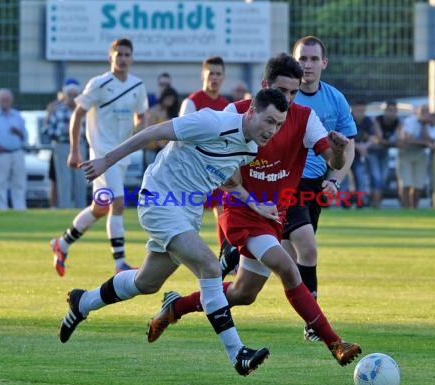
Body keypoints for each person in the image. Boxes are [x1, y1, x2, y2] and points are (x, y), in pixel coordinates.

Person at [146, 53, 361, 367]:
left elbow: (333, 161)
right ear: (264, 87)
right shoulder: (238, 114)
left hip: (275, 213)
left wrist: (339, 153)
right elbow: (212, 157)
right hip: (242, 210)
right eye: (282, 91)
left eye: (293, 93)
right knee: (287, 266)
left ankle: (175, 307)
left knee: (243, 293)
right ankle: (335, 343)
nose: (287, 100)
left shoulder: (304, 118)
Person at [59, 88, 289, 376]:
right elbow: (154, 132)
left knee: (146, 283)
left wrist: (256, 206)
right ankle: (237, 353)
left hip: (187, 214)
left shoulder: (250, 148)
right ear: (252, 111)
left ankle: (83, 302)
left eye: (279, 124)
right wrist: (107, 160)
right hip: (160, 198)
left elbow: (229, 182)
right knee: (209, 266)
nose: (273, 130)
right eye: (269, 121)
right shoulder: (212, 122)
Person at [50, 38, 148, 277]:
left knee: (100, 207)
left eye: (127, 55)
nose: (123, 59)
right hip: (102, 155)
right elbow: (77, 114)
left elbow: (142, 115)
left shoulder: (137, 85)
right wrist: (75, 149)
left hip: (121, 155)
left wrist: (140, 130)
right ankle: (120, 263)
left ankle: (61, 244)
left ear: (132, 58)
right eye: (119, 54)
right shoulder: (99, 83)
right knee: (118, 203)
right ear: (110, 57)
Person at [280, 36, 356, 341]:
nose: (307, 65)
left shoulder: (335, 99)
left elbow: (348, 147)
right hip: (285, 181)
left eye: (313, 59)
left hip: (314, 184)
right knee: (307, 248)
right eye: (302, 58)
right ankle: (314, 324)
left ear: (323, 63)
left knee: (279, 263)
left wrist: (335, 179)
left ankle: (201, 295)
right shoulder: (285, 96)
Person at [179, 56, 230, 248]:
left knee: (223, 211)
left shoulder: (227, 106)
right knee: (188, 213)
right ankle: (183, 250)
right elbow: (182, 136)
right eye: (211, 74)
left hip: (216, 168)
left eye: (218, 74)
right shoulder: (191, 102)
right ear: (203, 75)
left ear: (224, 77)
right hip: (194, 169)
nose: (214, 78)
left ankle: (225, 258)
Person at [45, 78, 88, 209]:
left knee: (81, 179)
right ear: (65, 95)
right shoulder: (57, 110)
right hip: (62, 145)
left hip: (80, 145)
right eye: (70, 95)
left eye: (75, 95)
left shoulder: (85, 111)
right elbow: (47, 130)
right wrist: (62, 131)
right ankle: (65, 207)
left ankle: (81, 207)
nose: (73, 98)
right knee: (64, 180)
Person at [397, 104, 435, 209]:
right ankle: (406, 209)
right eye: (422, 111)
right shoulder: (410, 121)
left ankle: (415, 208)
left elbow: (432, 140)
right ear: (417, 112)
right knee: (406, 183)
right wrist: (425, 143)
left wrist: (424, 126)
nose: (424, 114)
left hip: (421, 155)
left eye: (427, 112)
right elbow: (406, 139)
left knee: (418, 185)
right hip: (406, 153)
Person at [340, 100, 380, 208]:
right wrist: (358, 146)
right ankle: (344, 202)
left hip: (358, 156)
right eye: (358, 110)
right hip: (345, 154)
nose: (360, 112)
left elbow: (373, 136)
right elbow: (344, 137)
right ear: (353, 108)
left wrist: (365, 146)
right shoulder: (347, 118)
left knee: (360, 176)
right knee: (344, 178)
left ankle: (360, 201)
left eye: (363, 110)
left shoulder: (367, 120)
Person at [371, 100, 402, 207]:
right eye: (389, 110)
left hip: (384, 152)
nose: (392, 113)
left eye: (394, 110)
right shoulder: (378, 120)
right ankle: (375, 206)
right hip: (373, 153)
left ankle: (377, 205)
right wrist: (393, 143)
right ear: (385, 111)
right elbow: (379, 139)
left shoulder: (398, 122)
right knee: (377, 178)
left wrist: (390, 142)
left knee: (383, 179)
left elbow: (399, 139)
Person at [143, 86, 180, 168]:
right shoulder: (153, 111)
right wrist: (161, 145)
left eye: (172, 99)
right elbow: (150, 131)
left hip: (168, 149)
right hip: (152, 148)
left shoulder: (173, 112)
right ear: (163, 97)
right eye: (168, 98)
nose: (170, 101)